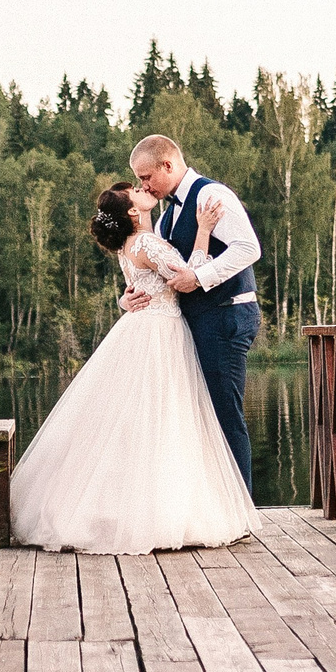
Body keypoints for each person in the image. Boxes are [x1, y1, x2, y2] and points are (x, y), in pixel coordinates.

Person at [9, 180, 258, 553]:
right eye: (137, 191)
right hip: (160, 333)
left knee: (135, 420)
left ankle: (132, 506)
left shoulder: (132, 244)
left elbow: (146, 282)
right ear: (131, 210)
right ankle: (161, 513)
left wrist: (124, 301)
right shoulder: (147, 242)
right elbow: (187, 278)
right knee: (162, 418)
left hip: (143, 328)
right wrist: (204, 231)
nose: (145, 190)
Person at [118, 134, 261, 492]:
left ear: (167, 165)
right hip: (192, 324)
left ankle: (241, 507)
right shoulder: (166, 217)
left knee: (225, 415)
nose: (143, 185)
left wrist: (199, 277)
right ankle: (211, 502)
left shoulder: (212, 194)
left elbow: (248, 248)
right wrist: (127, 299)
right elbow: (158, 275)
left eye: (146, 177)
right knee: (198, 418)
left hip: (226, 316)